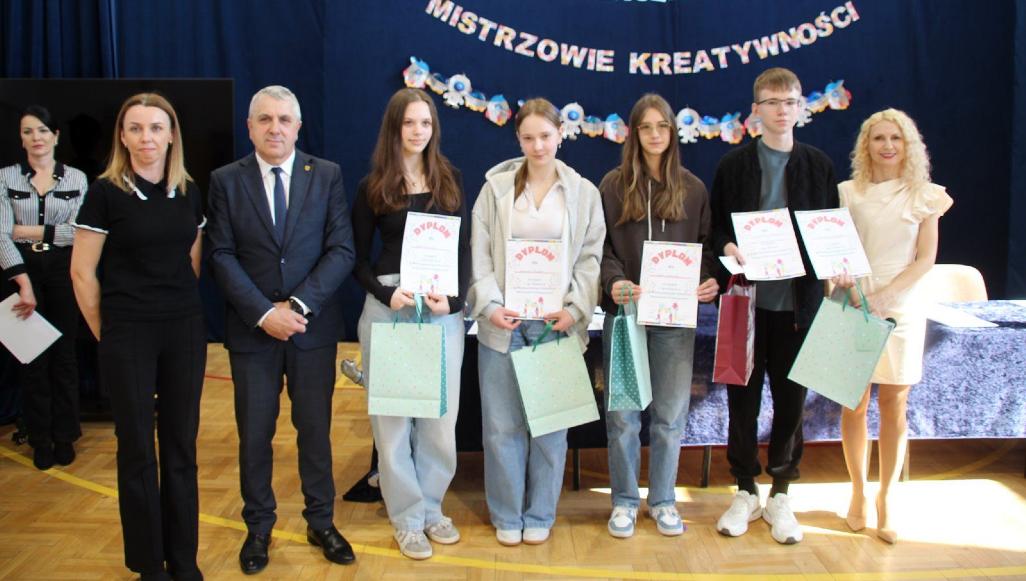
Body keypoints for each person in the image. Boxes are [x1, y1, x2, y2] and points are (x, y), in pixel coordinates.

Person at [206, 85, 356, 573]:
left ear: (298, 127)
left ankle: (321, 521)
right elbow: (220, 254)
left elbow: (342, 250)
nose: (275, 128)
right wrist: (264, 313)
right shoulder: (225, 180)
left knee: (314, 432)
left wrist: (296, 305)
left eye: (284, 119)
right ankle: (258, 528)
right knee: (254, 435)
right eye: (265, 119)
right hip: (252, 332)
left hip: (311, 330)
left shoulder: (327, 175)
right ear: (250, 127)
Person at [70, 93, 206, 581]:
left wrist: (174, 308)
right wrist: (108, 333)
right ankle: (150, 566)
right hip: (128, 332)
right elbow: (82, 273)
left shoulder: (188, 190)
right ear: (122, 137)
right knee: (137, 450)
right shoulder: (104, 193)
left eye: (155, 128)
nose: (146, 137)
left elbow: (192, 259)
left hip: (183, 329)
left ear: (171, 136)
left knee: (181, 447)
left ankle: (184, 560)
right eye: (136, 128)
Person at [468, 97, 605, 547]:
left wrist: (575, 308)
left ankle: (540, 512)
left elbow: (590, 259)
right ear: (518, 139)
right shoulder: (495, 190)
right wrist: (490, 305)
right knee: (501, 427)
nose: (538, 145)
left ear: (561, 135)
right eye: (528, 137)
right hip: (503, 323)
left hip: (555, 324)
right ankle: (507, 515)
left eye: (545, 136)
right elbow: (479, 253)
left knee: (551, 426)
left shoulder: (583, 193)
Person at [710, 67, 838, 545]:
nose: (782, 111)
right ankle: (745, 488)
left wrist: (838, 262)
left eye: (790, 102)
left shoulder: (818, 165)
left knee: (791, 401)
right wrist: (728, 248)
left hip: (798, 307)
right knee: (741, 401)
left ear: (801, 108)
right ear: (756, 110)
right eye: (772, 102)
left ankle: (781, 492)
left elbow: (830, 228)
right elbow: (716, 229)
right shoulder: (733, 166)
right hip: (745, 303)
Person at [352, 87, 470, 560]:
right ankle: (406, 519)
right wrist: (387, 294)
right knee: (394, 424)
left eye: (425, 122)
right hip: (391, 311)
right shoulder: (373, 186)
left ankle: (432, 508)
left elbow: (463, 251)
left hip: (440, 314)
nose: (418, 131)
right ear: (394, 128)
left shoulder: (450, 179)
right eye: (409, 122)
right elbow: (357, 261)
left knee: (440, 421)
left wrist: (454, 302)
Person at [597, 94, 719, 539]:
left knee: (669, 416)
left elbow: (705, 249)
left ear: (672, 132)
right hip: (626, 317)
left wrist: (707, 281)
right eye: (646, 127)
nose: (654, 135)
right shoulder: (612, 186)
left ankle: (663, 499)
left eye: (662, 126)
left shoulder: (693, 188)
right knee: (624, 417)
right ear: (634, 133)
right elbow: (600, 249)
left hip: (674, 320)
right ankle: (625, 501)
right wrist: (613, 281)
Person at [831, 109, 952, 544]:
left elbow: (926, 259)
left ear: (908, 145)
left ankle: (887, 497)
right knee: (853, 403)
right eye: (879, 138)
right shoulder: (848, 192)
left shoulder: (926, 195)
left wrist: (885, 298)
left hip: (902, 306)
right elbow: (836, 251)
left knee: (894, 405)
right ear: (866, 145)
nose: (887, 146)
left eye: (895, 138)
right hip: (852, 301)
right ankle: (858, 492)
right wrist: (841, 284)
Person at [0, 105, 88, 470]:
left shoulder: (76, 179)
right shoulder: (5, 177)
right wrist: (23, 283)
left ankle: (65, 435)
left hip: (63, 269)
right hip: (19, 272)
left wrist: (27, 230)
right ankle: (40, 439)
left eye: (42, 130)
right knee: (32, 358)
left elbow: (77, 233)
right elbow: (2, 235)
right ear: (21, 139)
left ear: (55, 136)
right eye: (27, 131)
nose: (35, 137)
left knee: (65, 356)